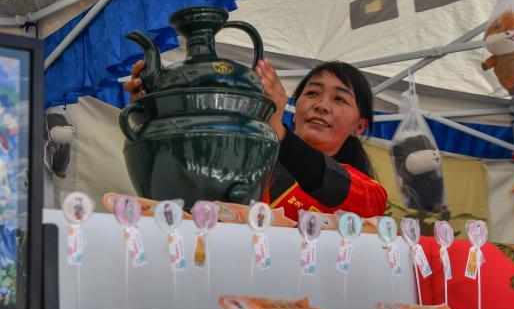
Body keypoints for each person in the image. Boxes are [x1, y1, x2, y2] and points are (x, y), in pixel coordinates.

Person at [126, 58, 388, 220]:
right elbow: (187, 181)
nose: (321, 105)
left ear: (360, 126)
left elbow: (340, 188)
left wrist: (279, 133)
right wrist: (154, 113)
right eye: (312, 94)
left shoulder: (368, 191)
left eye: (339, 99)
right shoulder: (245, 158)